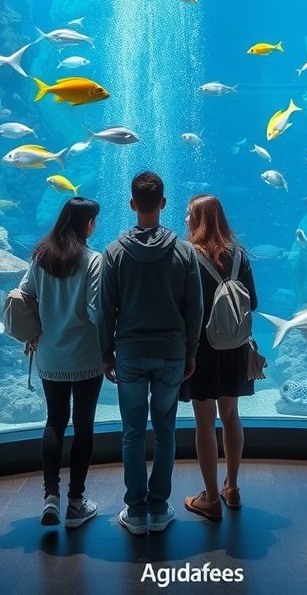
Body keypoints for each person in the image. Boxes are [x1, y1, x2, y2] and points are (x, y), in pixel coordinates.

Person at [98, 171, 203, 534]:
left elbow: (106, 309)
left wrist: (106, 354)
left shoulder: (114, 252)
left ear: (132, 204)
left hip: (129, 352)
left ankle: (136, 510)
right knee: (165, 431)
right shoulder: (184, 252)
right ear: (163, 203)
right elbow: (195, 307)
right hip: (172, 353)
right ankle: (159, 508)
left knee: (131, 432)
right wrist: (191, 352)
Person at [19, 196, 103, 529]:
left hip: (51, 355)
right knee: (83, 426)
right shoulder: (93, 260)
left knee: (54, 421)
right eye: (93, 221)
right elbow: (96, 311)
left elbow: (23, 294)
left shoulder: (41, 256)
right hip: (86, 356)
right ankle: (75, 504)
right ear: (87, 225)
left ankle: (50, 498)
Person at [183, 194, 258, 521]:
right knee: (231, 415)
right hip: (235, 347)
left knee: (204, 422)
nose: (185, 219)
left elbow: (186, 307)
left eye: (189, 214)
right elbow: (253, 302)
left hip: (202, 349)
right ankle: (233, 487)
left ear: (199, 220)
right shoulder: (239, 255)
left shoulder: (188, 255)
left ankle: (211, 498)